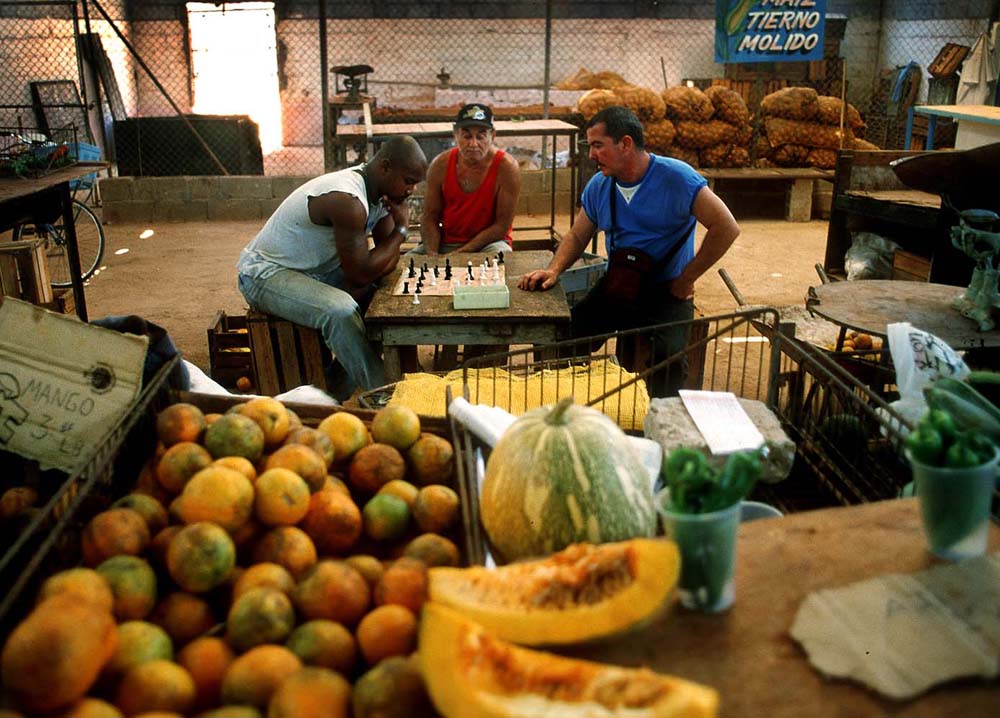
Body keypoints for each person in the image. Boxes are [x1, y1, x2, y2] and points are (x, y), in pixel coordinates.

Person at [519, 106, 740, 396]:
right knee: (563, 340)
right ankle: (564, 411)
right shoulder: (600, 185)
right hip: (620, 285)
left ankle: (658, 422)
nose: (590, 155)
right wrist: (554, 269)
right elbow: (577, 234)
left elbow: (726, 227)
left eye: (598, 145)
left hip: (668, 292)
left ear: (625, 144)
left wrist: (687, 279)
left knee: (669, 362)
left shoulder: (677, 179)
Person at [237, 136, 427, 400]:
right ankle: (385, 397)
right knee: (340, 311)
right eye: (408, 181)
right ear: (385, 167)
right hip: (264, 274)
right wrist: (402, 230)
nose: (412, 191)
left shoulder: (381, 195)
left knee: (383, 299)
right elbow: (361, 271)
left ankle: (335, 387)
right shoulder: (348, 200)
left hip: (312, 272)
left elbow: (383, 263)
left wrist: (391, 239)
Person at [412, 103, 520, 256]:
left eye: (481, 136)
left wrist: (463, 252)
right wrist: (432, 254)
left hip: (489, 244)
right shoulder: (440, 165)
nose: (473, 144)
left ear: (492, 136)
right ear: (455, 135)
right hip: (446, 242)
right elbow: (430, 217)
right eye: (467, 136)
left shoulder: (507, 168)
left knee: (502, 258)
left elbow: (501, 226)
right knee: (408, 264)